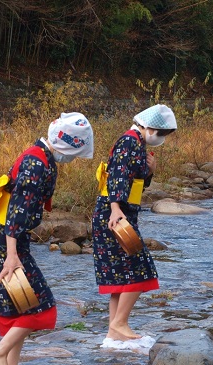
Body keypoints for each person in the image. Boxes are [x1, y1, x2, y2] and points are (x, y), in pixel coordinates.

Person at [0, 112, 94, 365]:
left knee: (17, 308)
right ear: (69, 144)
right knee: (42, 309)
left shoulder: (42, 157)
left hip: (6, 238)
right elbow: (17, 212)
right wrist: (12, 256)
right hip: (7, 241)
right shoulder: (37, 163)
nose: (74, 158)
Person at [92, 104, 177, 342]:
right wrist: (116, 208)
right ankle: (119, 324)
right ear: (148, 127)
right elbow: (117, 175)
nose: (160, 138)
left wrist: (150, 172)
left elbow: (134, 179)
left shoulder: (137, 143)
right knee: (140, 270)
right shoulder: (129, 141)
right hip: (116, 215)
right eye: (160, 133)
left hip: (119, 213)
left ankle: (114, 330)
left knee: (121, 274)